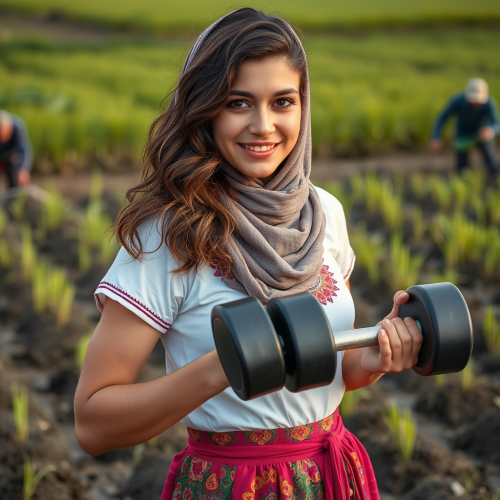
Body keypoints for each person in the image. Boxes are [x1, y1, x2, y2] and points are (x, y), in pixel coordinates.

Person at [74, 9, 423, 500]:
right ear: (205, 109)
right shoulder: (170, 235)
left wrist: (372, 357)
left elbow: (321, 366)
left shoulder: (323, 211)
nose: (264, 125)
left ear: (303, 105)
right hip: (232, 484)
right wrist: (223, 367)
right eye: (239, 102)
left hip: (331, 473)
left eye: (283, 101)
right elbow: (93, 423)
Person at [431, 78, 499, 175]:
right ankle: (463, 179)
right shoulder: (457, 101)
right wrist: (436, 137)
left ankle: (494, 179)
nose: (475, 103)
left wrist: (490, 130)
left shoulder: (489, 103)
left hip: (482, 133)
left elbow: (496, 122)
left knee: (492, 162)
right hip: (463, 133)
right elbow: (442, 118)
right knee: (461, 168)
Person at [0, 110, 33, 188]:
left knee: (16, 167)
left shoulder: (18, 126)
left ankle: (13, 196)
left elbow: (24, 150)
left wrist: (24, 169)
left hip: (10, 156)